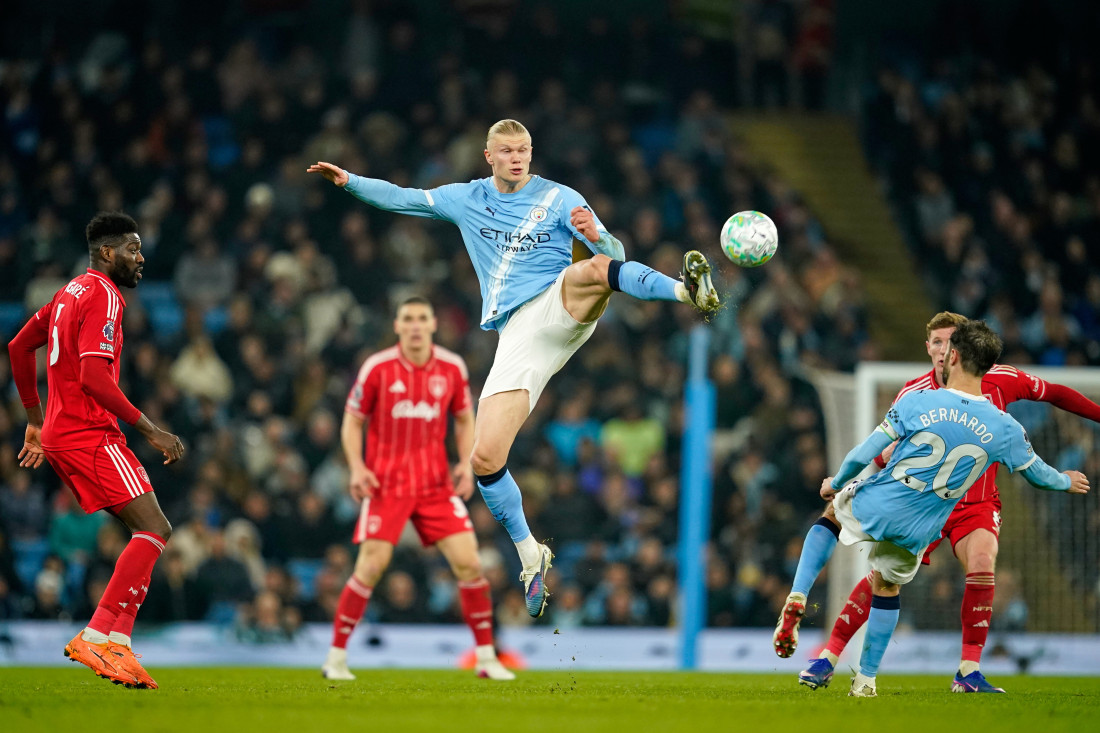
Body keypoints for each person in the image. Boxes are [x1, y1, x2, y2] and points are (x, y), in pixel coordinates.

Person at [308, 118, 720, 617]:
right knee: (484, 458)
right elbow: (403, 197)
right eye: (507, 151)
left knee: (593, 270)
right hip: (519, 336)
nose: (518, 157)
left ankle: (687, 291)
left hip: (557, 301)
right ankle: (530, 554)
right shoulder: (466, 198)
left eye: (524, 149)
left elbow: (613, 256)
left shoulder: (561, 197)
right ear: (489, 156)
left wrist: (599, 237)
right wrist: (349, 181)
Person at [771, 319, 1089, 697]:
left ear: (954, 355)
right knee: (887, 585)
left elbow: (866, 454)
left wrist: (836, 482)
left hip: (911, 500)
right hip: (925, 521)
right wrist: (1066, 480)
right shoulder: (1006, 427)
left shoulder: (917, 400)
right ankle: (865, 679)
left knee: (832, 517)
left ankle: (799, 595)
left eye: (947, 344)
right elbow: (1038, 475)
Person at [8, 211, 185, 689]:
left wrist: (34, 421)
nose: (140, 257)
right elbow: (93, 377)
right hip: (88, 433)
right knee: (155, 528)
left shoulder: (68, 292)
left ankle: (118, 644)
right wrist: (151, 430)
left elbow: (19, 347)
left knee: (148, 531)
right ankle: (96, 635)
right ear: (108, 252)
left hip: (63, 433)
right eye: (133, 248)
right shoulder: (105, 296)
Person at [321, 297, 514, 681]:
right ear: (397, 326)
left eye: (421, 318)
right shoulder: (377, 368)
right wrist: (357, 467)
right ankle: (336, 658)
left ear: (432, 324)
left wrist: (465, 464)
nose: (414, 325)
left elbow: (464, 419)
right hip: (387, 485)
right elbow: (352, 420)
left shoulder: (451, 367)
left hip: (435, 486)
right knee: (370, 567)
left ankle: (487, 658)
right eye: (407, 319)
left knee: (471, 565)